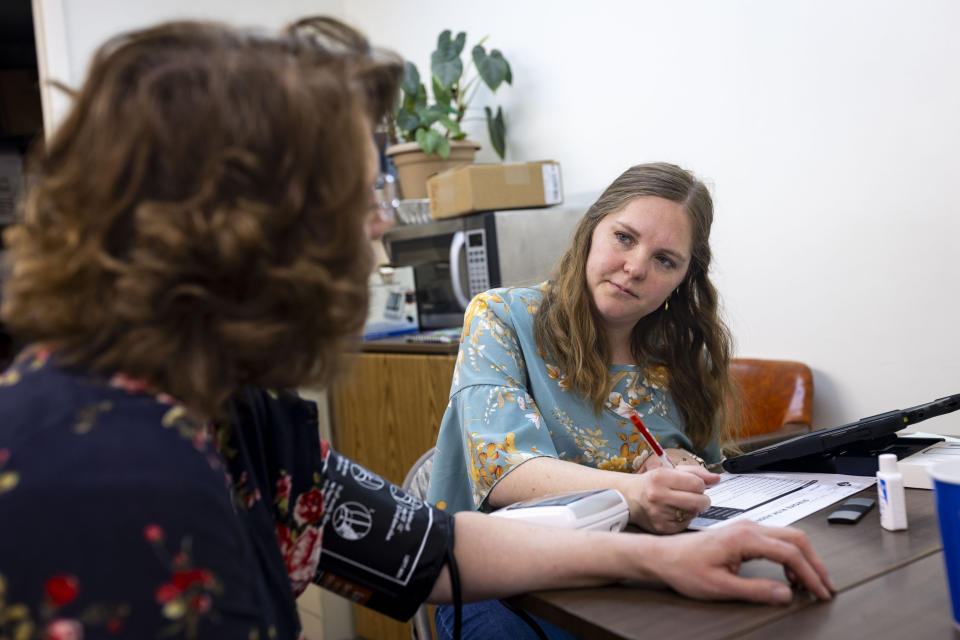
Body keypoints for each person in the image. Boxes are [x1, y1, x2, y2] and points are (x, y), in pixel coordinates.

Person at [0, 16, 833, 640]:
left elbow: (424, 545)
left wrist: (658, 556)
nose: (380, 226)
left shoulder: (236, 415)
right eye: (361, 195)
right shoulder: (106, 477)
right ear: (238, 219)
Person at [426, 163, 749, 637]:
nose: (636, 267)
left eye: (665, 260)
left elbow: (711, 478)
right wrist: (637, 492)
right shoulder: (501, 318)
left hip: (635, 575)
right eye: (624, 237)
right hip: (502, 580)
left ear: (683, 278)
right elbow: (505, 469)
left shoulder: (685, 356)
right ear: (590, 231)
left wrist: (683, 469)